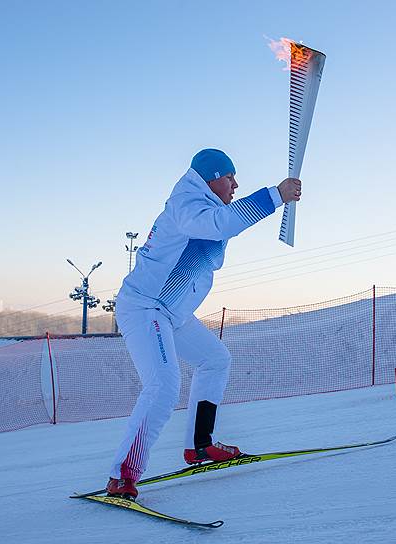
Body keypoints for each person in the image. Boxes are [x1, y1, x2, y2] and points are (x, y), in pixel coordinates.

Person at [105, 148, 302, 499]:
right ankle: (122, 476)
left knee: (215, 359)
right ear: (212, 178)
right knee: (163, 387)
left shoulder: (204, 204)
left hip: (170, 312)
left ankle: (199, 446)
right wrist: (276, 195)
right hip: (145, 308)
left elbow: (224, 221)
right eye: (230, 177)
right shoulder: (186, 205)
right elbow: (220, 225)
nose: (236, 184)